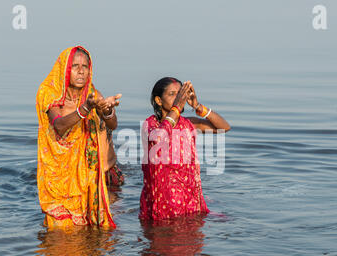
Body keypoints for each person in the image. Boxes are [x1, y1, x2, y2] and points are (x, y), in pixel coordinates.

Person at [36, 45, 121, 228]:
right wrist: (86, 108)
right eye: (75, 66)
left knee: (88, 227)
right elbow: (59, 125)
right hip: (57, 173)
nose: (81, 71)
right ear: (65, 69)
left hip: (86, 173)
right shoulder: (49, 92)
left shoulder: (91, 94)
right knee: (59, 230)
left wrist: (107, 111)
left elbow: (112, 125)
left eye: (85, 66)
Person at [140, 77, 231, 221]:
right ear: (158, 100)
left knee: (191, 236)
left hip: (188, 194)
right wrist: (177, 107)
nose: (178, 99)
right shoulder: (150, 124)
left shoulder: (189, 123)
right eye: (172, 94)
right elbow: (159, 137)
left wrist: (198, 106)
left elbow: (224, 128)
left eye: (180, 94)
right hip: (162, 196)